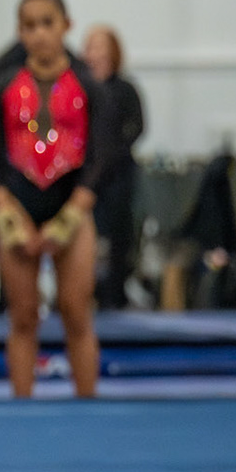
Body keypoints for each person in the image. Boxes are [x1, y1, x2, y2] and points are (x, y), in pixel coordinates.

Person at [0, 0, 106, 398]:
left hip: (72, 205)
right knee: (23, 315)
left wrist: (71, 216)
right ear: (19, 31)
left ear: (66, 25)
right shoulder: (0, 86)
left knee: (75, 311)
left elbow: (100, 156)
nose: (39, 34)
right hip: (17, 204)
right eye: (30, 26)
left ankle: (88, 402)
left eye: (48, 23)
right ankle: (22, 404)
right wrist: (6, 213)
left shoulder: (89, 86)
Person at [84, 24, 145, 308]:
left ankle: (115, 291)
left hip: (118, 172)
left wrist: (111, 153)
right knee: (87, 232)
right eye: (89, 46)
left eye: (99, 46)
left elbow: (137, 126)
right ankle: (85, 289)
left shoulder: (125, 89)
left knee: (118, 233)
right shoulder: (82, 88)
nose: (92, 52)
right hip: (86, 173)